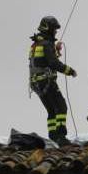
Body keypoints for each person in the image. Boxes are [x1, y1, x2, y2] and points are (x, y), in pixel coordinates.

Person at [28, 15, 76, 145]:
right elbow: (53, 63)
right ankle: (61, 136)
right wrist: (69, 71)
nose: (55, 32)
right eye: (54, 29)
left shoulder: (36, 43)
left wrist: (55, 50)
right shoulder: (46, 44)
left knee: (51, 110)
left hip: (36, 83)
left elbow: (42, 61)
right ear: (48, 28)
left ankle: (53, 136)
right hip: (46, 82)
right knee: (61, 107)